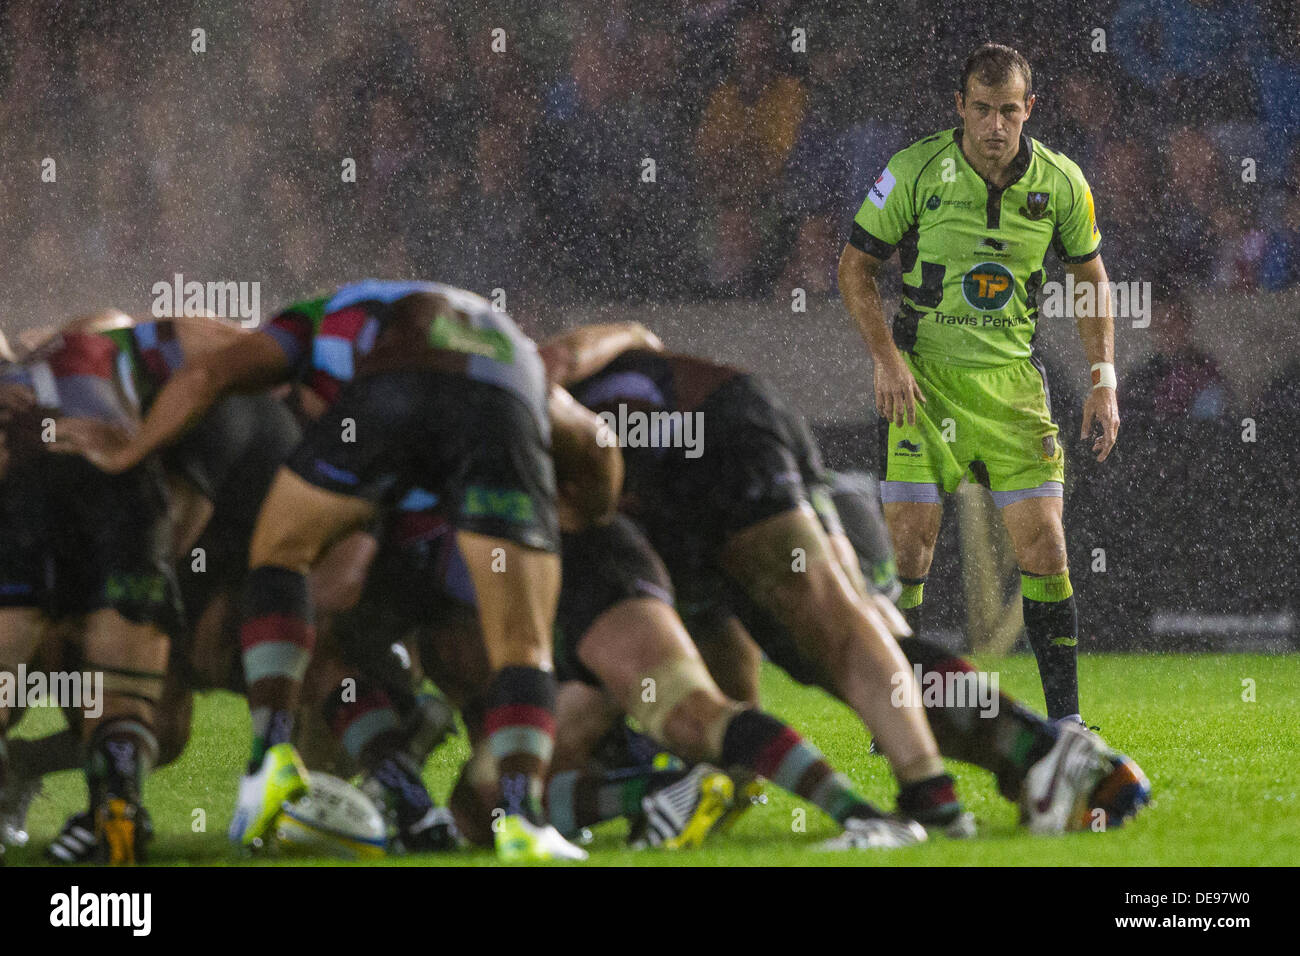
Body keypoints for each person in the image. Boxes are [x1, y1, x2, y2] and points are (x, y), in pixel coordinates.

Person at [62, 280, 618, 862]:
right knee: (525, 647)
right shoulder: (506, 344)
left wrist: (129, 449)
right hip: (507, 411)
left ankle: (269, 759)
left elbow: (208, 376)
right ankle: (523, 821)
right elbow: (594, 442)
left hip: (392, 390)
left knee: (280, 554)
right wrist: (592, 506)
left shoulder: (308, 324)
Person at [837, 43, 1118, 724]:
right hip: (923, 383)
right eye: (983, 110)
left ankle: (1067, 721)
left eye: (1009, 111)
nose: (995, 125)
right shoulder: (913, 172)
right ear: (959, 106)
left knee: (1046, 547)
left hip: (1013, 387)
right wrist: (886, 359)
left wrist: (1103, 379)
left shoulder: (1060, 183)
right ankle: (899, 716)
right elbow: (854, 268)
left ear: (1030, 110)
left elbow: (1090, 275)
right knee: (907, 550)